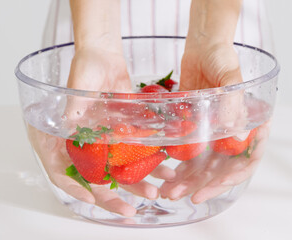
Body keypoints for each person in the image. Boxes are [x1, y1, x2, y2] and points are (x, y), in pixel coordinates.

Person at [30, 0, 272, 217]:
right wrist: (97, 42)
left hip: (226, 23)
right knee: (77, 105)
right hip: (88, 20)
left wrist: (211, 38)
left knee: (230, 107)